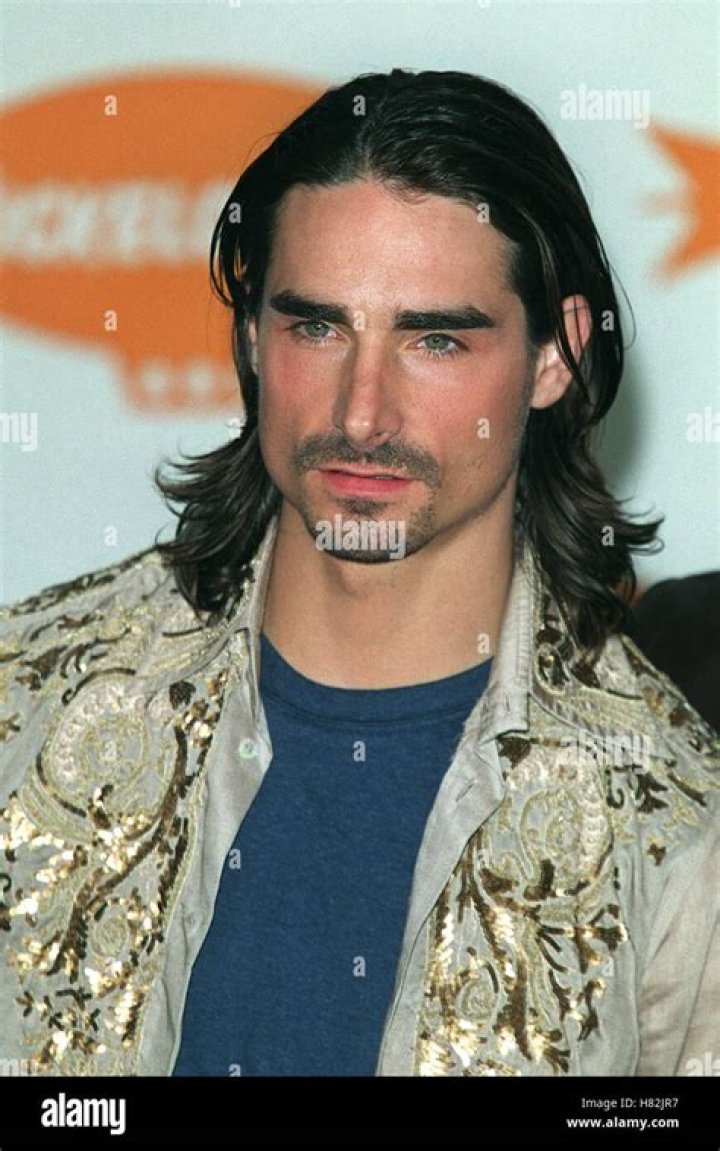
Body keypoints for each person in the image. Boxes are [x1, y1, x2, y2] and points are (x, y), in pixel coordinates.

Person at [0, 69, 717, 1079]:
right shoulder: (26, 705)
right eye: (318, 327)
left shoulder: (670, 820)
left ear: (555, 356)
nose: (362, 412)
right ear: (252, 336)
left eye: (435, 339)